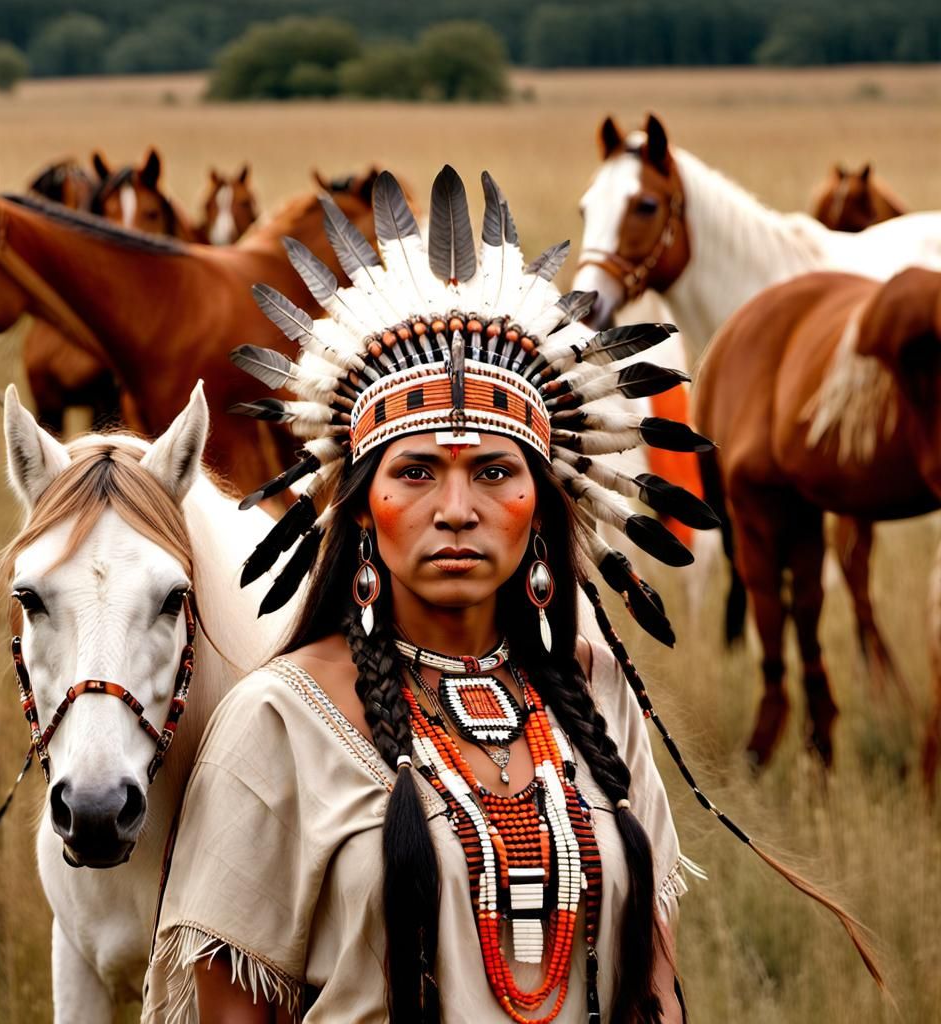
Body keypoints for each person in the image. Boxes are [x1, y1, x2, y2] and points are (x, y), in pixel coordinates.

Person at [142, 167, 875, 1023]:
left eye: (494, 471)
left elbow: (657, 989)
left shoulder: (597, 693)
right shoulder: (279, 722)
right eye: (415, 472)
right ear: (363, 506)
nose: (457, 511)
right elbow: (234, 1011)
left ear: (541, 502)